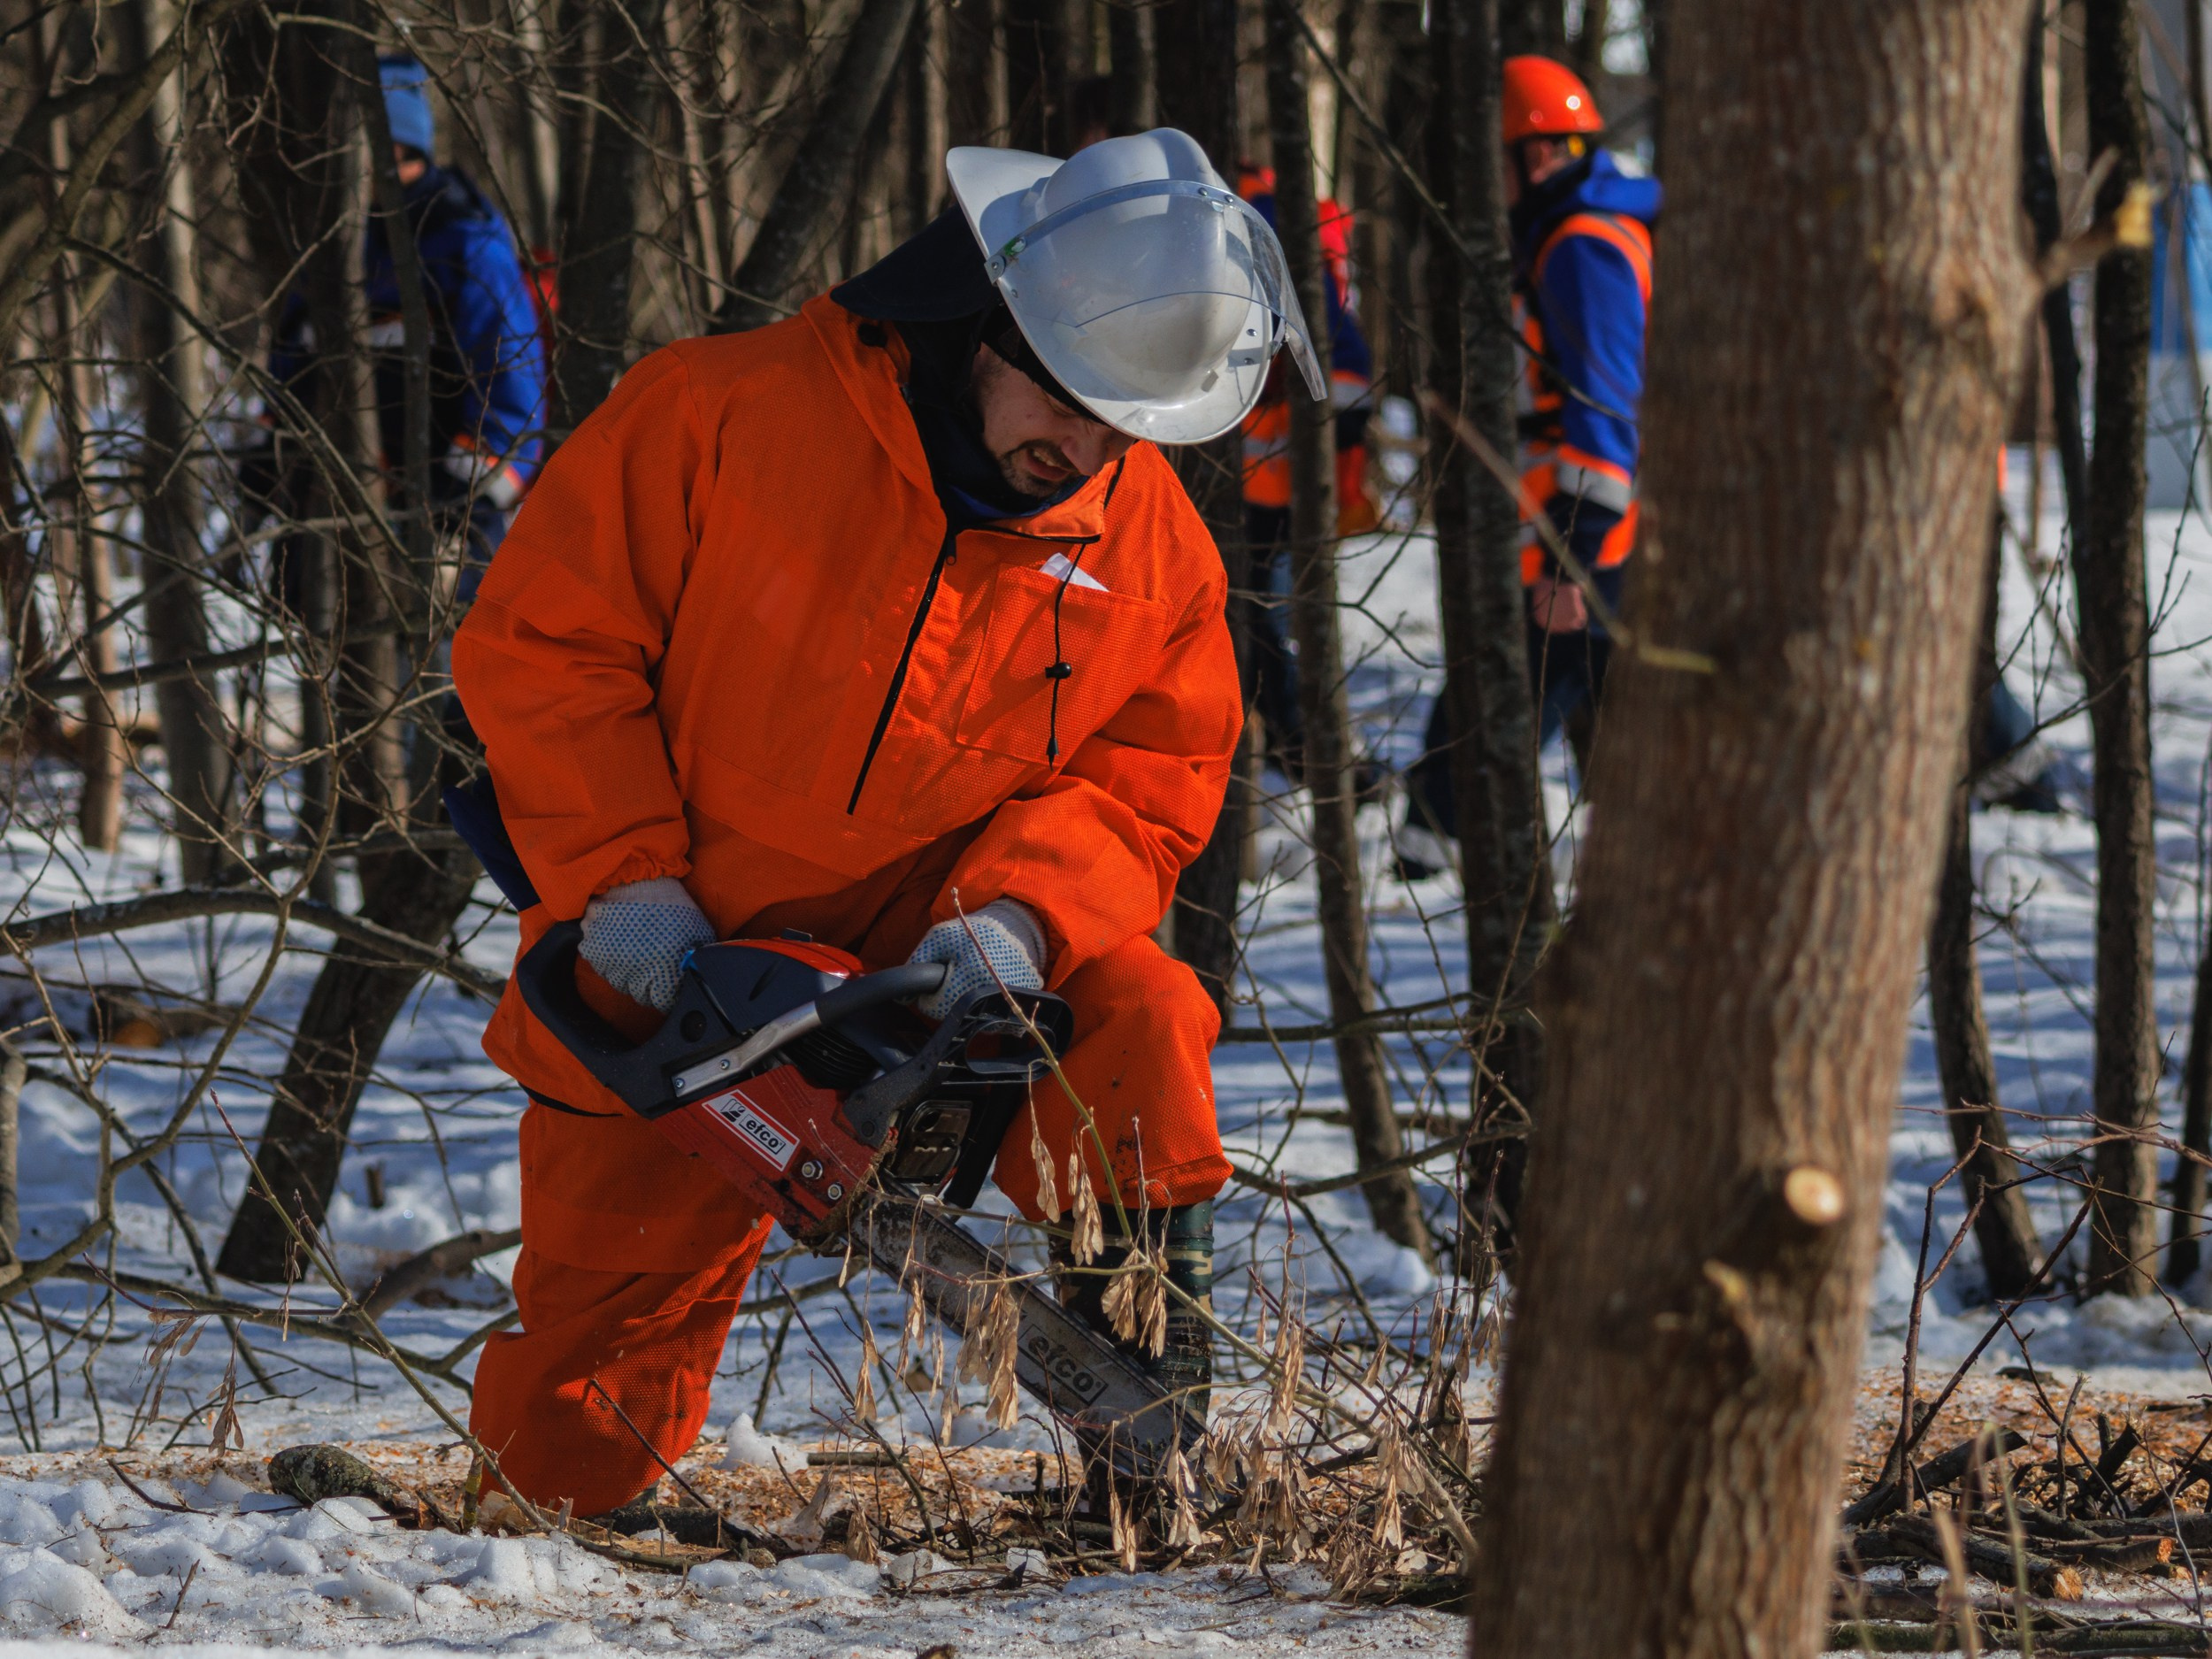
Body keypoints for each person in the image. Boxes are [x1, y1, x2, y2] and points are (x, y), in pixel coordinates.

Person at [449, 131, 1324, 1516]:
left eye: (1127, 425)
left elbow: (1146, 782)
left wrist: (1024, 919)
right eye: (1071, 403)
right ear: (989, 319)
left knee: (1147, 1016)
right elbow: (549, 646)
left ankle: (1148, 1451)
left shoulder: (1154, 550)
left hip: (943, 976)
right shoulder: (719, 416)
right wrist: (626, 890)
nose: (1086, 451)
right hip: (679, 947)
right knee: (575, 1417)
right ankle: (566, 1517)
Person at [1396, 56, 1655, 879]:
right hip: (1577, 535)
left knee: (1492, 716)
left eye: (1496, 158)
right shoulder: (1572, 232)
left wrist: (1572, 558)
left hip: (1583, 543)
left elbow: (1604, 412)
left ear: (1534, 156)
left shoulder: (1582, 248)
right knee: (1596, 719)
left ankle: (1422, 865)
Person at [262, 57, 548, 608]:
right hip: (336, 501)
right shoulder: (335, 238)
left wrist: (461, 487)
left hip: (445, 508)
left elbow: (514, 387)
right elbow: (289, 356)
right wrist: (270, 448)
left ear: (396, 145)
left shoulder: (465, 243)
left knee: (449, 664)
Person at [1237, 165, 1378, 781]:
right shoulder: (1277, 242)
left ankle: (1308, 751)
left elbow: (1348, 369)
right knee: (1271, 614)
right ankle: (1302, 748)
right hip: (1269, 481)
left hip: (1275, 486)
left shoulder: (1276, 252)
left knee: (1269, 616)